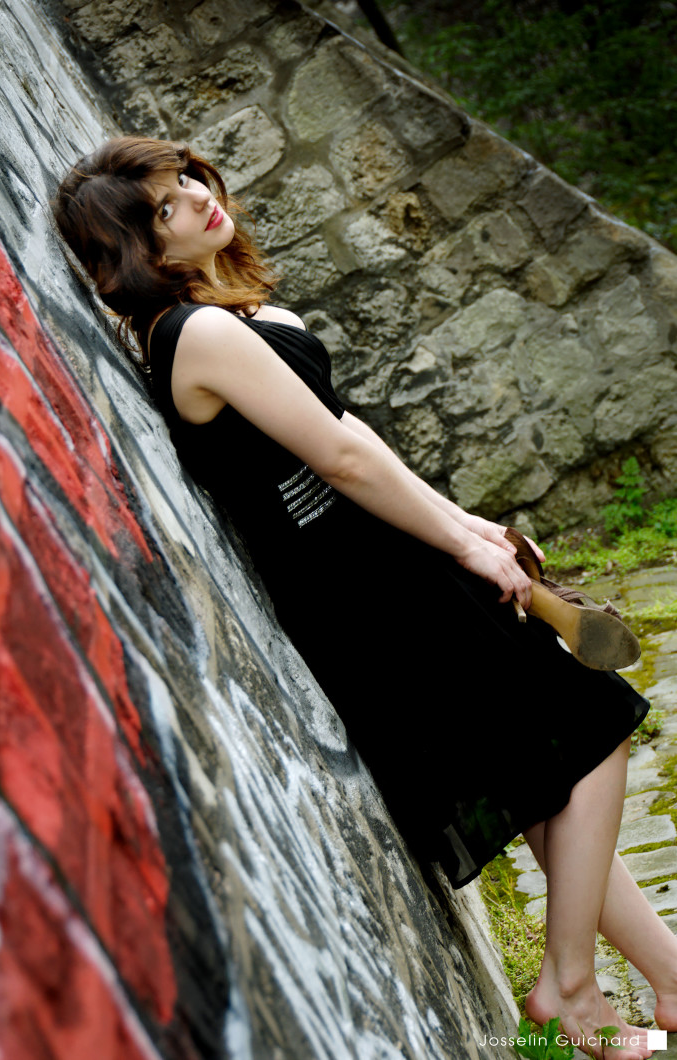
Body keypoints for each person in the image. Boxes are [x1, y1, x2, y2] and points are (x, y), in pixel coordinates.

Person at [54, 136, 675, 1060]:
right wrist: (461, 545)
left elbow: (352, 430)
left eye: (183, 179)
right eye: (163, 208)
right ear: (137, 249)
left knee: (544, 775)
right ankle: (569, 988)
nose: (193, 197)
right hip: (370, 594)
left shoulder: (229, 311)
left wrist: (470, 526)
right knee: (593, 730)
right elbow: (340, 461)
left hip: (393, 565)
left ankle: (668, 979)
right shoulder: (197, 334)